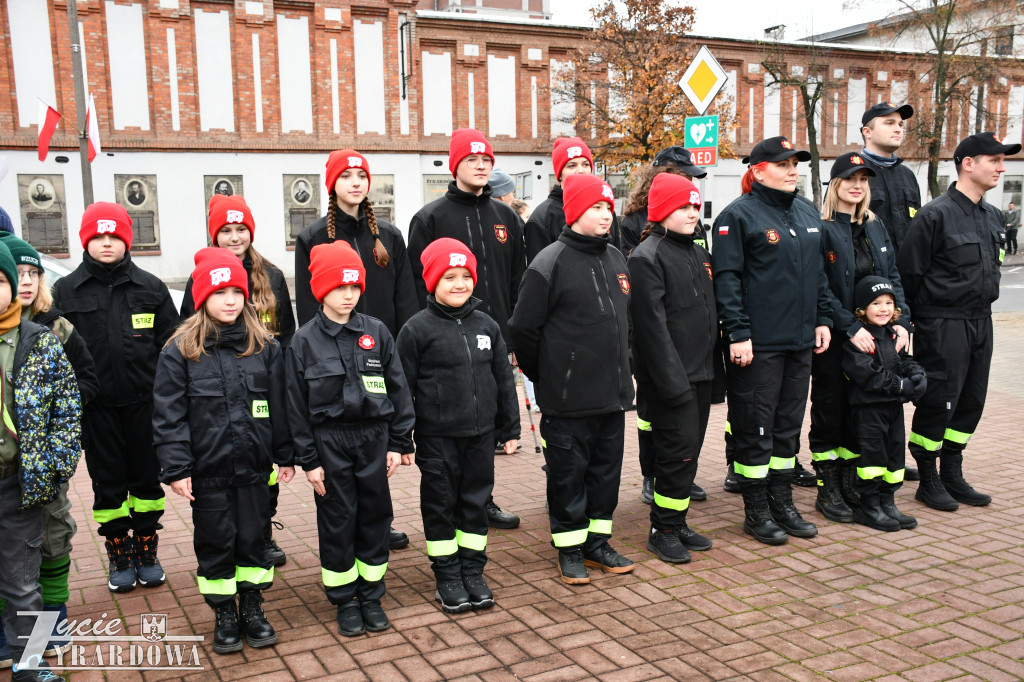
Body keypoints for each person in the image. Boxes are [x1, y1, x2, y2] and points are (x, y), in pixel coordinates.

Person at [154, 248, 294, 655]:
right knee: (215, 542)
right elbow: (169, 415)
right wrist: (177, 467)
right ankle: (224, 612)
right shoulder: (180, 350)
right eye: (219, 292)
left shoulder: (265, 347)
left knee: (253, 538)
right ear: (202, 298)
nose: (230, 300)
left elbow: (281, 406)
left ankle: (251, 605)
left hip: (254, 470)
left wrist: (286, 454)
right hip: (208, 473)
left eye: (237, 291)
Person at [510, 174, 635, 584]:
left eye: (608, 207)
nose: (605, 214)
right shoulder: (549, 263)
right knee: (568, 477)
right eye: (595, 207)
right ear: (575, 210)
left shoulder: (616, 258)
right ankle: (570, 548)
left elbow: (626, 324)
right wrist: (548, 377)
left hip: (612, 397)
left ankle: (597, 544)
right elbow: (524, 330)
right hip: (567, 400)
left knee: (605, 475)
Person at [286, 241, 415, 637]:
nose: (348, 294)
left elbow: (398, 389)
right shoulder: (304, 341)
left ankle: (371, 595)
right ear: (320, 290)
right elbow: (295, 406)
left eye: (354, 286)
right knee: (338, 520)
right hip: (330, 443)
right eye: (338, 287)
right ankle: (345, 598)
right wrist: (309, 460)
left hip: (374, 438)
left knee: (375, 516)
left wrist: (399, 442)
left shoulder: (376, 332)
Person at [294, 150, 418, 551]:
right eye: (345, 175)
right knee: (343, 448)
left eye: (361, 175)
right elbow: (307, 306)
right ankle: (346, 528)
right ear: (332, 184)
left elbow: (406, 298)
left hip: (378, 354)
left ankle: (380, 523)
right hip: (332, 359)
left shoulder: (389, 236)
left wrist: (404, 352)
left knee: (376, 442)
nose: (355, 182)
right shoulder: (313, 237)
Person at [711, 136, 832, 546]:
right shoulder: (737, 216)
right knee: (755, 427)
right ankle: (757, 511)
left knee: (786, 427)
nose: (792, 170)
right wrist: (738, 333)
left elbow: (817, 274)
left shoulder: (806, 210)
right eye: (782, 165)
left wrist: (822, 319)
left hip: (799, 342)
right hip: (758, 346)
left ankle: (782, 503)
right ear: (758, 171)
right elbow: (727, 281)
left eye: (795, 163)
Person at [53, 202, 179, 591]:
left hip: (145, 407)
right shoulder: (65, 292)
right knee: (107, 484)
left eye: (114, 236)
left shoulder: (151, 288)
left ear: (127, 240)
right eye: (98, 236)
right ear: (86, 241)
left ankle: (146, 548)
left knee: (146, 482)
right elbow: (55, 354)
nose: (106, 243)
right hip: (97, 410)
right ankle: (119, 552)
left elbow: (171, 348)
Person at [407, 129, 526, 531]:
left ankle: (481, 500)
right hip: (444, 340)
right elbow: (416, 284)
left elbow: (518, 280)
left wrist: (514, 335)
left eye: (486, 160)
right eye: (471, 159)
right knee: (452, 424)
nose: (480, 166)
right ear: (454, 165)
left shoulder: (507, 218)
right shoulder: (430, 218)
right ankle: (450, 502)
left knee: (486, 420)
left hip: (493, 336)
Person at [897, 132, 1020, 511]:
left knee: (971, 401)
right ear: (968, 164)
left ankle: (952, 471)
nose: (1001, 168)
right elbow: (909, 275)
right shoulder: (935, 215)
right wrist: (911, 324)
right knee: (939, 399)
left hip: (981, 321)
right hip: (943, 323)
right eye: (994, 160)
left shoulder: (993, 215)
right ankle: (928, 478)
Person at [397, 238, 520, 612]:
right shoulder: (416, 330)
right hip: (437, 440)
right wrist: (401, 439)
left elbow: (503, 379)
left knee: (475, 504)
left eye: (465, 276)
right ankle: (448, 575)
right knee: (441, 506)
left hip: (481, 438)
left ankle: (472, 571)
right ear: (432, 281)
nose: (459, 284)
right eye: (449, 277)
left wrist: (510, 428)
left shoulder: (487, 326)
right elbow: (401, 388)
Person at [179, 196, 296, 566]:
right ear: (214, 235)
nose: (234, 237)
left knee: (264, 469)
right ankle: (233, 540)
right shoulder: (199, 277)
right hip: (218, 386)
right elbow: (187, 333)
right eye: (226, 230)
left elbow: (288, 334)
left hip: (261, 383)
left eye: (241, 229)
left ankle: (262, 532)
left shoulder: (272, 276)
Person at [0, 234, 96, 659]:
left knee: (47, 548)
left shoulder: (49, 333)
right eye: (16, 274)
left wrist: (57, 457)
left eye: (30, 274)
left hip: (37, 475)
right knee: (12, 567)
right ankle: (11, 638)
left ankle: (46, 632)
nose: (24, 281)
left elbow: (76, 393)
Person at [810, 152, 912, 523]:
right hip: (838, 338)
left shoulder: (874, 225)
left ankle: (851, 482)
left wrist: (902, 320)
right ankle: (828, 486)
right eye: (850, 179)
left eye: (864, 180)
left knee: (861, 412)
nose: (857, 186)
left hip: (875, 338)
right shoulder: (822, 229)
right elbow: (820, 288)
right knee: (831, 410)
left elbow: (893, 277)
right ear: (835, 184)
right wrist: (850, 327)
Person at [619, 146, 716, 503]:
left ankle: (674, 493)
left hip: (697, 365)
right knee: (664, 432)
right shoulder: (641, 239)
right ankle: (656, 481)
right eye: (683, 177)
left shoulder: (694, 240)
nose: (692, 211)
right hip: (668, 368)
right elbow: (650, 319)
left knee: (687, 445)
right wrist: (668, 374)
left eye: (695, 204)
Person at [842, 276, 926, 532]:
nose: (883, 309)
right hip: (870, 410)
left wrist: (916, 374)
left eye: (889, 303)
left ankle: (887, 502)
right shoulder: (859, 340)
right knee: (873, 456)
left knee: (894, 454)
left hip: (893, 408)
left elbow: (903, 360)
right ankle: (869, 505)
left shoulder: (892, 334)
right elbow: (868, 374)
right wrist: (900, 385)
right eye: (876, 303)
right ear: (862, 309)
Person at [524, 136, 620, 262]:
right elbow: (538, 268)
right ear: (559, 174)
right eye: (571, 165)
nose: (580, 170)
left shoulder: (606, 210)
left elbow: (617, 259)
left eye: (585, 164)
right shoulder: (542, 217)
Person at [859, 102, 921, 252]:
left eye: (900, 124)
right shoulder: (853, 173)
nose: (898, 129)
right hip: (869, 265)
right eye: (889, 123)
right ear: (867, 132)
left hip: (906, 265)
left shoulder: (907, 176)